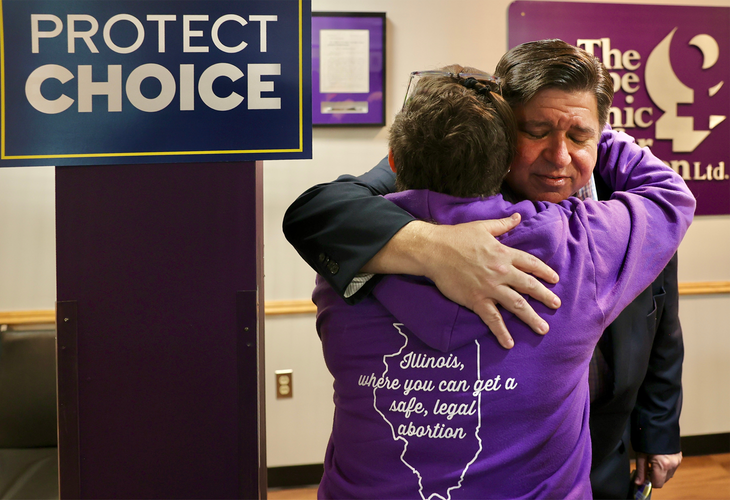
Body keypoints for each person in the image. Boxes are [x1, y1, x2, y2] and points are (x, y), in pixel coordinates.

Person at [284, 40, 685, 498]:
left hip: (609, 450)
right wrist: (431, 244)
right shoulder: (587, 241)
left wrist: (659, 431)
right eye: (537, 130)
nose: (559, 157)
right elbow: (318, 209)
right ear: (500, 133)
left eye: (579, 136)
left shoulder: (617, 200)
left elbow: (663, 327)